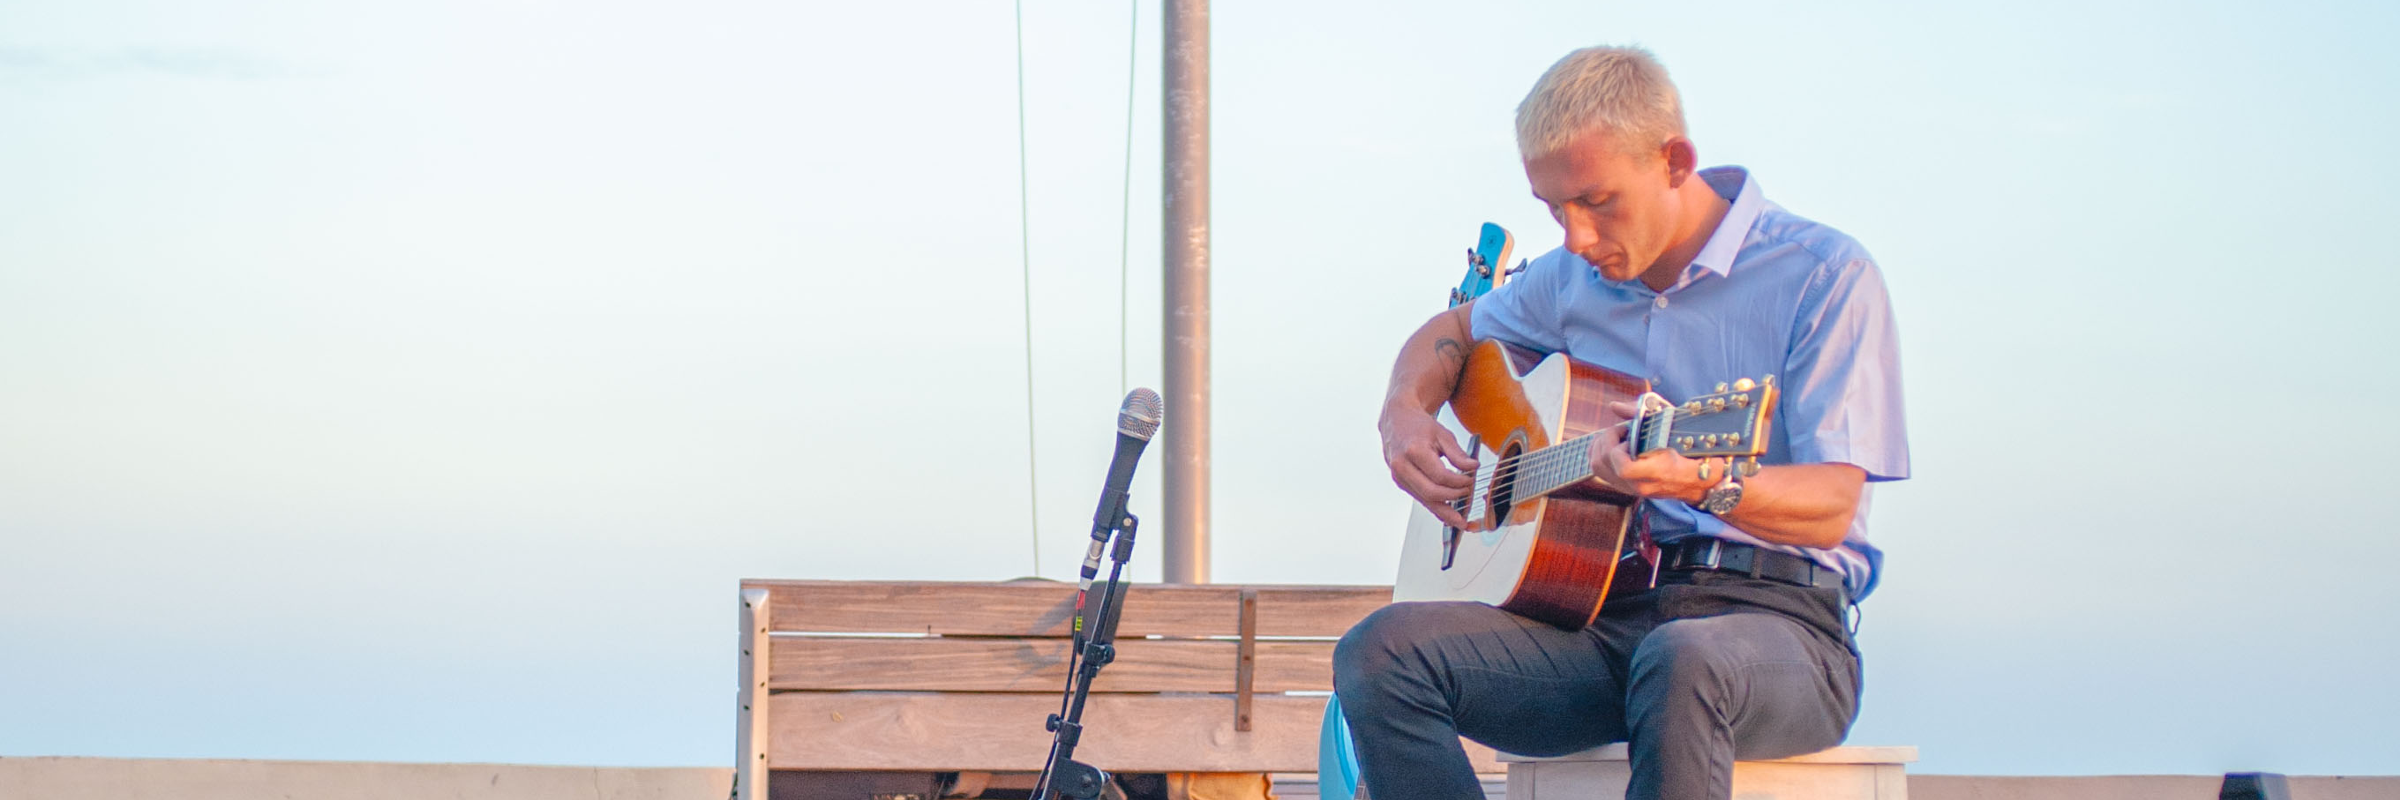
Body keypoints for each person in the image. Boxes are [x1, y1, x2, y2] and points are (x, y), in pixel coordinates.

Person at [1333, 45, 1909, 800]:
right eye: (1552, 209)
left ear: (1675, 161)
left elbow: (1834, 505)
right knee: (1380, 652)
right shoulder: (1569, 279)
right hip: (1609, 628)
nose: (1573, 237)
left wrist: (1702, 483)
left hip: (1784, 632)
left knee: (1684, 659)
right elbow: (1450, 332)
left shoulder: (1824, 275)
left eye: (1597, 202)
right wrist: (1404, 414)